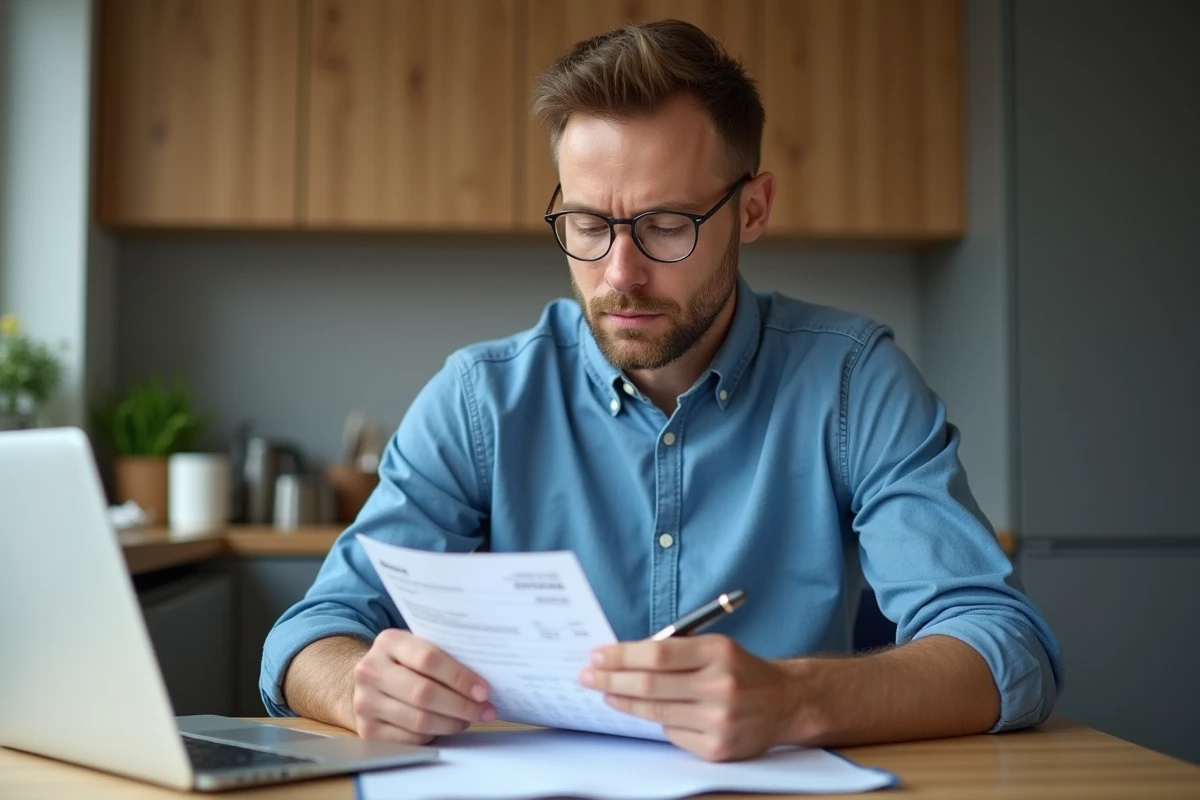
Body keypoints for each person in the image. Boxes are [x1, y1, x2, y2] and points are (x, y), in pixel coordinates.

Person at [262, 20, 1063, 762]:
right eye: (588, 224)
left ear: (753, 210)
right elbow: (310, 635)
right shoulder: (481, 400)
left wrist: (796, 699)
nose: (621, 274)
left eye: (667, 225)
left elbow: (1006, 646)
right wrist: (359, 685)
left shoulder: (853, 383)